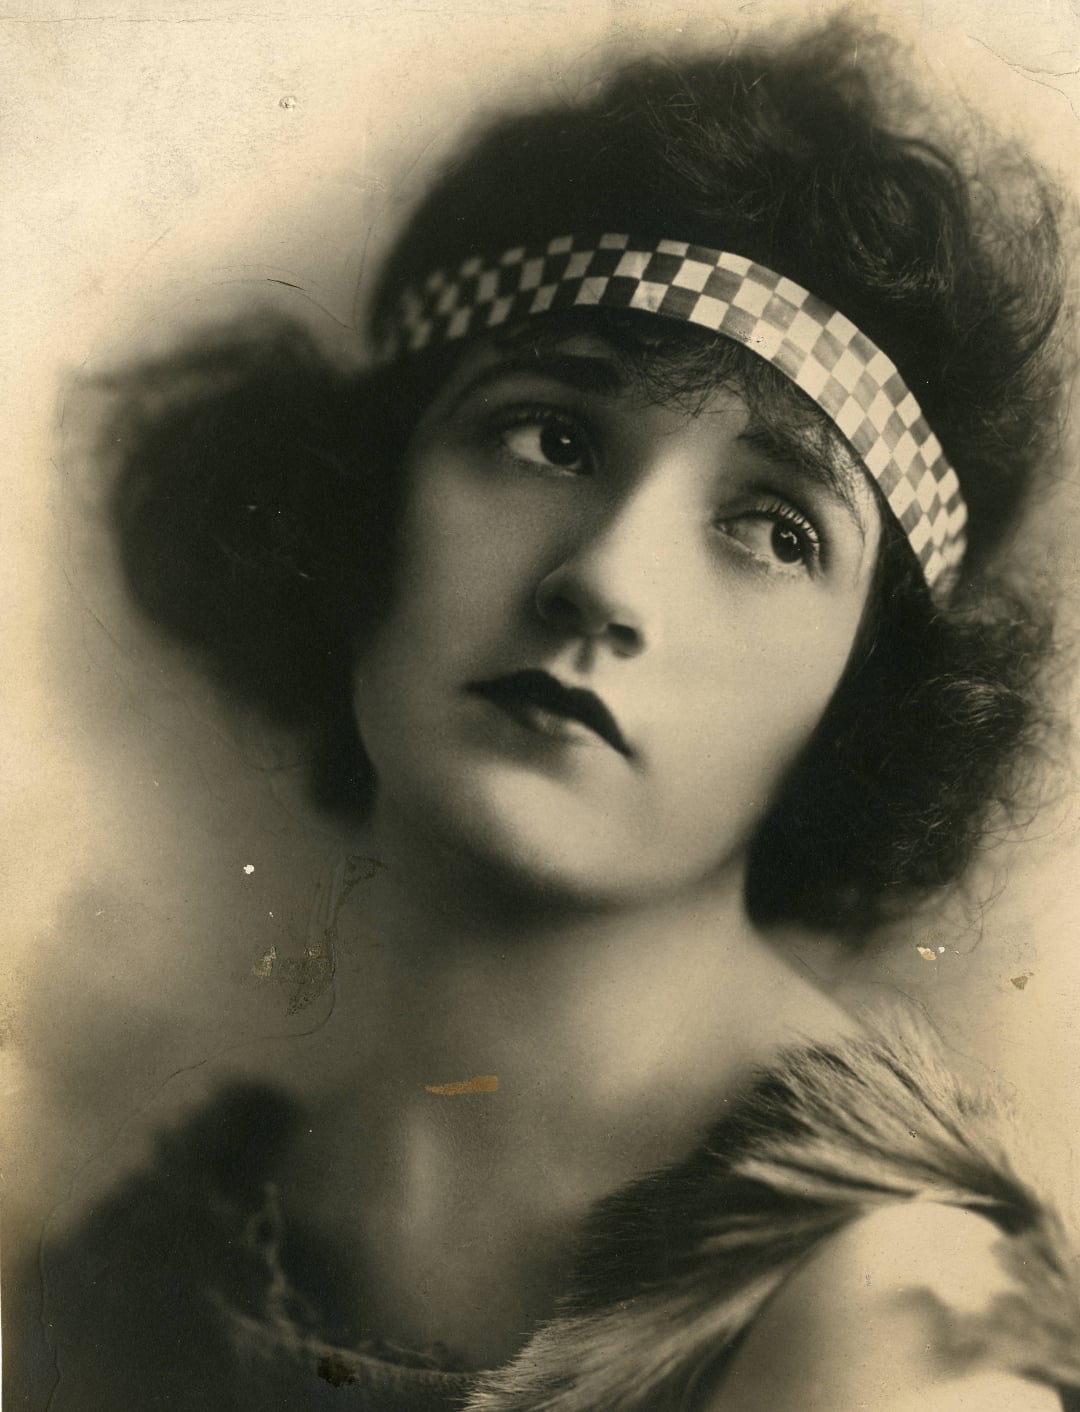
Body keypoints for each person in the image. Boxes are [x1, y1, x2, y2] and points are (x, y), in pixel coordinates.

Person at [13, 15, 1080, 1411]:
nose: (607, 582)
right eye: (550, 439)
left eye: (774, 529)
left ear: (862, 701)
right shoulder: (159, 1243)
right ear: (362, 504)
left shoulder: (899, 1319)